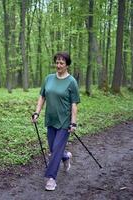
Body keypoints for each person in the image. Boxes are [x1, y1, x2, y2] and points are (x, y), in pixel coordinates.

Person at [31, 52, 80, 191]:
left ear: (67, 65)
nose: (58, 65)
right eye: (57, 62)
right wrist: (37, 112)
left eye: (61, 63)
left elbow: (74, 104)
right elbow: (42, 97)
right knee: (54, 149)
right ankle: (66, 156)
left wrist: (73, 123)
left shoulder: (71, 82)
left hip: (64, 121)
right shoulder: (48, 79)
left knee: (55, 150)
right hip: (50, 119)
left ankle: (51, 178)